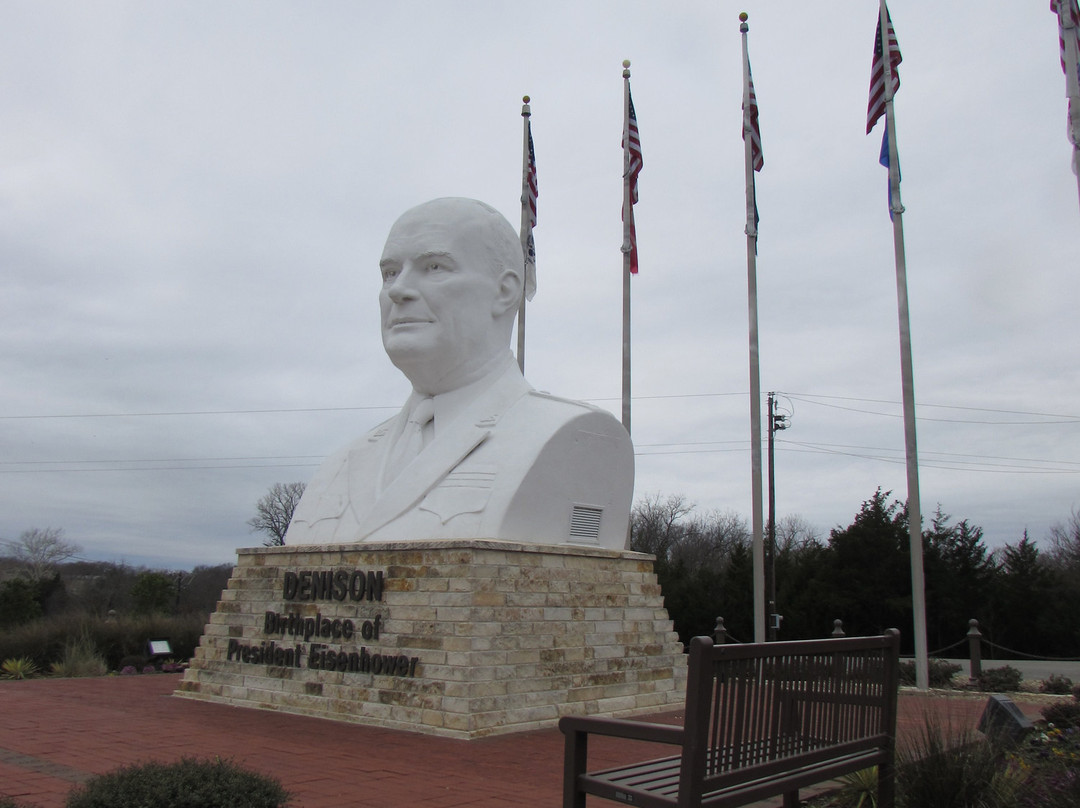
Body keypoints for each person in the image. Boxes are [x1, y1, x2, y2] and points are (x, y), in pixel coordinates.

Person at [284, 197, 634, 550]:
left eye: (434, 267)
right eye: (390, 272)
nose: (398, 289)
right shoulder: (340, 463)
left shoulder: (580, 439)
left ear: (505, 291)